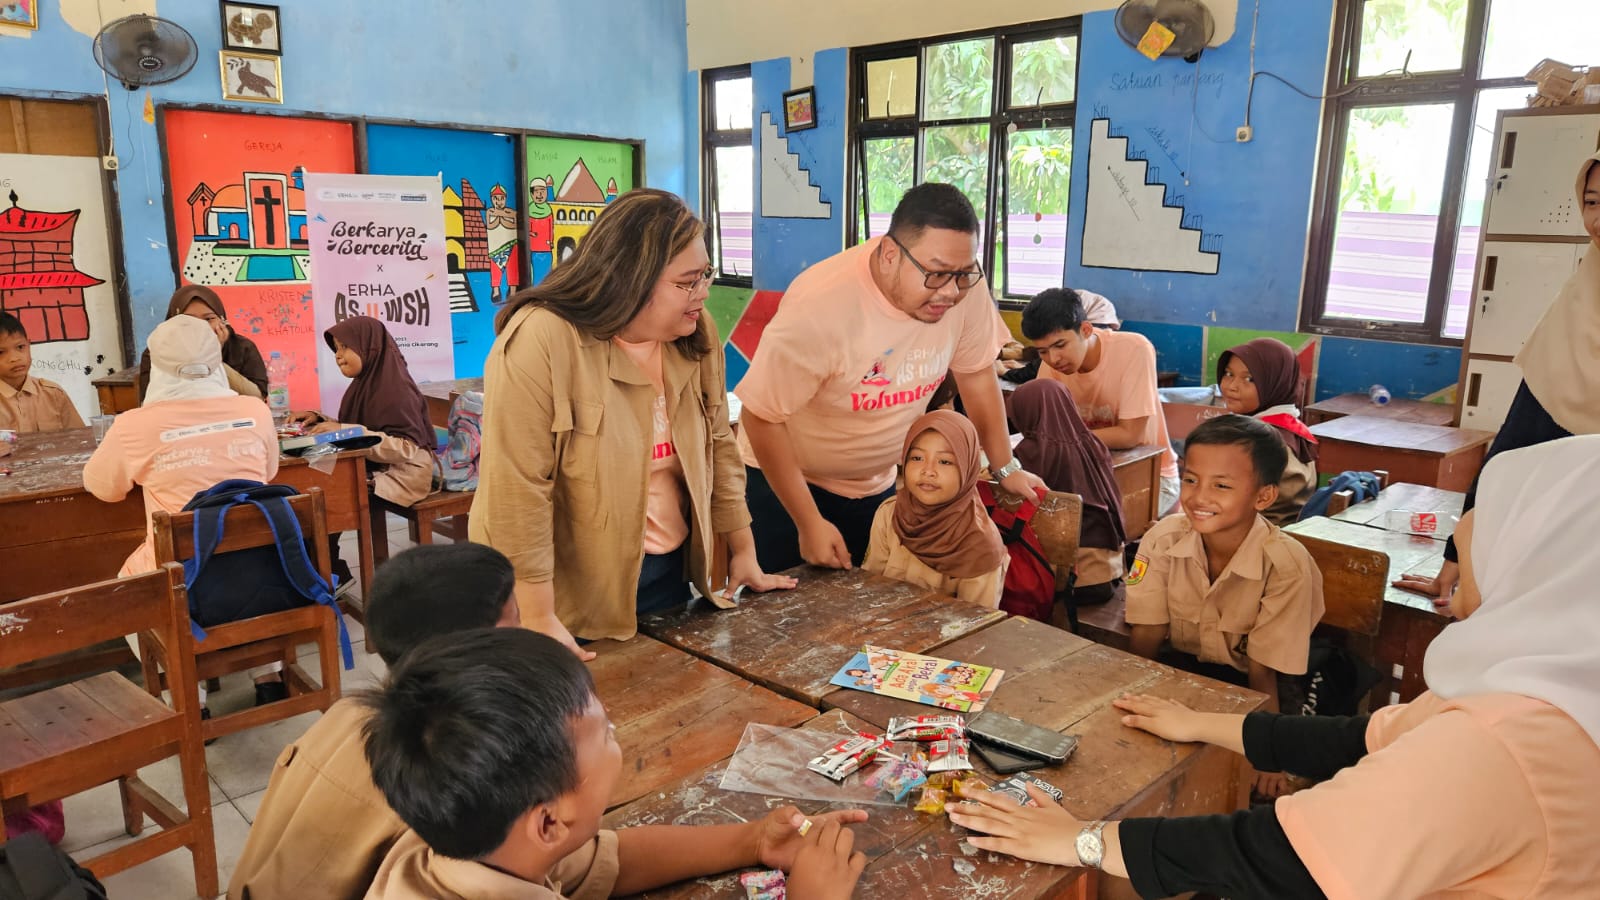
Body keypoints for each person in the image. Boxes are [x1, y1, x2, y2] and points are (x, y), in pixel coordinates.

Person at [948, 436, 1600, 899]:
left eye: (1466, 557)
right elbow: (1359, 736)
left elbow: (1278, 854)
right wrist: (1204, 723)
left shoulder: (1492, 747)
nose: (1446, 581)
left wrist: (1082, 841)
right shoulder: (1549, 703)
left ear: (1539, 572)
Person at [471, 189, 792, 660]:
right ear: (631, 279)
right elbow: (517, 487)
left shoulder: (693, 331)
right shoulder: (542, 338)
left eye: (705, 274)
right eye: (686, 282)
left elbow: (719, 444)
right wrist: (538, 615)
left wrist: (743, 550)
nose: (703, 293)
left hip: (666, 571)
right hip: (561, 591)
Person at [362, 628, 870, 900]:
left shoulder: (486, 845)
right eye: (603, 733)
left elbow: (615, 860)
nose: (617, 735)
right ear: (547, 821)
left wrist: (753, 839)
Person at [737, 183, 1041, 573]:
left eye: (964, 274)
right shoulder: (821, 306)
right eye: (935, 274)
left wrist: (1006, 467)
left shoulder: (966, 290)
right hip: (785, 487)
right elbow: (761, 416)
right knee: (783, 619)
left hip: (877, 485)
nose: (950, 292)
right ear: (890, 254)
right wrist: (808, 521)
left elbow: (978, 378)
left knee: (866, 613)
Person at [228, 542, 522, 900]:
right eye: (516, 625)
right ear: (466, 656)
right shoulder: (446, 768)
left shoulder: (348, 712)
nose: (530, 639)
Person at [1398, 150, 1600, 605]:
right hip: (1534, 560)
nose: (1597, 220)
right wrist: (1453, 563)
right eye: (1592, 202)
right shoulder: (1578, 306)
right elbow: (1507, 458)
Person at [82, 315, 284, 706]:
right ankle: (268, 674)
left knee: (128, 588)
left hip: (183, 579)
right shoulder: (255, 411)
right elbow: (269, 472)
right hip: (260, 566)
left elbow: (102, 488)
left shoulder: (132, 426)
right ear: (216, 359)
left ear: (156, 364)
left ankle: (192, 697)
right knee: (241, 560)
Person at [1123, 415, 1323, 723]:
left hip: (1257, 688)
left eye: (1221, 485)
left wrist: (1264, 749)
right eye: (1191, 480)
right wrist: (1129, 695)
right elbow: (1147, 633)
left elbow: (1263, 670)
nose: (1199, 497)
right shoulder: (1162, 539)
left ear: (1263, 496)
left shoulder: (1286, 566)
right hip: (1180, 671)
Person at [1021, 288, 1179, 516]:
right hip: (1087, 474)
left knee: (1096, 533)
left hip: (1152, 477)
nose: (1053, 359)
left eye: (1060, 345)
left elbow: (1129, 435)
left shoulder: (1135, 349)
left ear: (1085, 330)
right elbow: (1043, 431)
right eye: (1042, 351)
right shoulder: (1051, 367)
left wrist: (1061, 440)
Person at [863, 410, 1008, 607]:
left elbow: (976, 624)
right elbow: (870, 586)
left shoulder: (979, 544)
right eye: (916, 458)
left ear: (968, 469)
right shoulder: (890, 514)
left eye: (945, 461)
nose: (928, 471)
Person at [289, 316, 435, 508]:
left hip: (401, 476)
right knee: (312, 472)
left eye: (345, 347)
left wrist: (345, 432)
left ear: (368, 347)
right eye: (336, 348)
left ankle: (324, 538)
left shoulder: (397, 389)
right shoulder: (364, 384)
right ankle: (319, 536)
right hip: (372, 466)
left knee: (327, 491)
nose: (338, 355)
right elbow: (363, 427)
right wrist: (319, 420)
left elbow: (406, 449)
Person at [1010, 378, 1126, 607]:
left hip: (1068, 582)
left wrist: (1001, 468)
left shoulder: (1029, 452)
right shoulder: (1094, 443)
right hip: (1108, 572)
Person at [1216, 338, 1317, 525]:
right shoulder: (1291, 426)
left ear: (1275, 383)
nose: (1231, 386)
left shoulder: (1259, 442)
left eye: (1249, 379)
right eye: (1228, 374)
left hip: (1255, 541)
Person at [137, 285, 269, 402]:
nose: (200, 327)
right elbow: (148, 403)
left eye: (209, 319)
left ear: (222, 321)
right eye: (189, 319)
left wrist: (212, 356)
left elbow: (257, 398)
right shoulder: (156, 352)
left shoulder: (242, 347)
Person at [0, 311, 85, 433]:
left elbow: (80, 440)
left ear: (28, 345)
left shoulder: (53, 394)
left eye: (20, 347)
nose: (15, 358)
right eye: (1, 352)